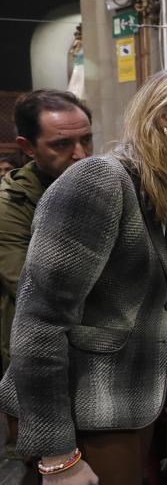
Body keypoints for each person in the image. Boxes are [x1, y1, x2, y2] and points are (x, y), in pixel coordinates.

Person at [0, 69, 167, 485]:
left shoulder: (155, 193)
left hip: (125, 410)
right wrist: (58, 456)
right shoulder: (100, 179)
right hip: (83, 414)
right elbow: (39, 323)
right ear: (163, 117)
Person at [1, 90, 93, 376]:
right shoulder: (10, 204)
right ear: (28, 147)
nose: (80, 154)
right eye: (62, 144)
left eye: (86, 139)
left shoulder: (99, 187)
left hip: (94, 350)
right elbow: (35, 290)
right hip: (35, 356)